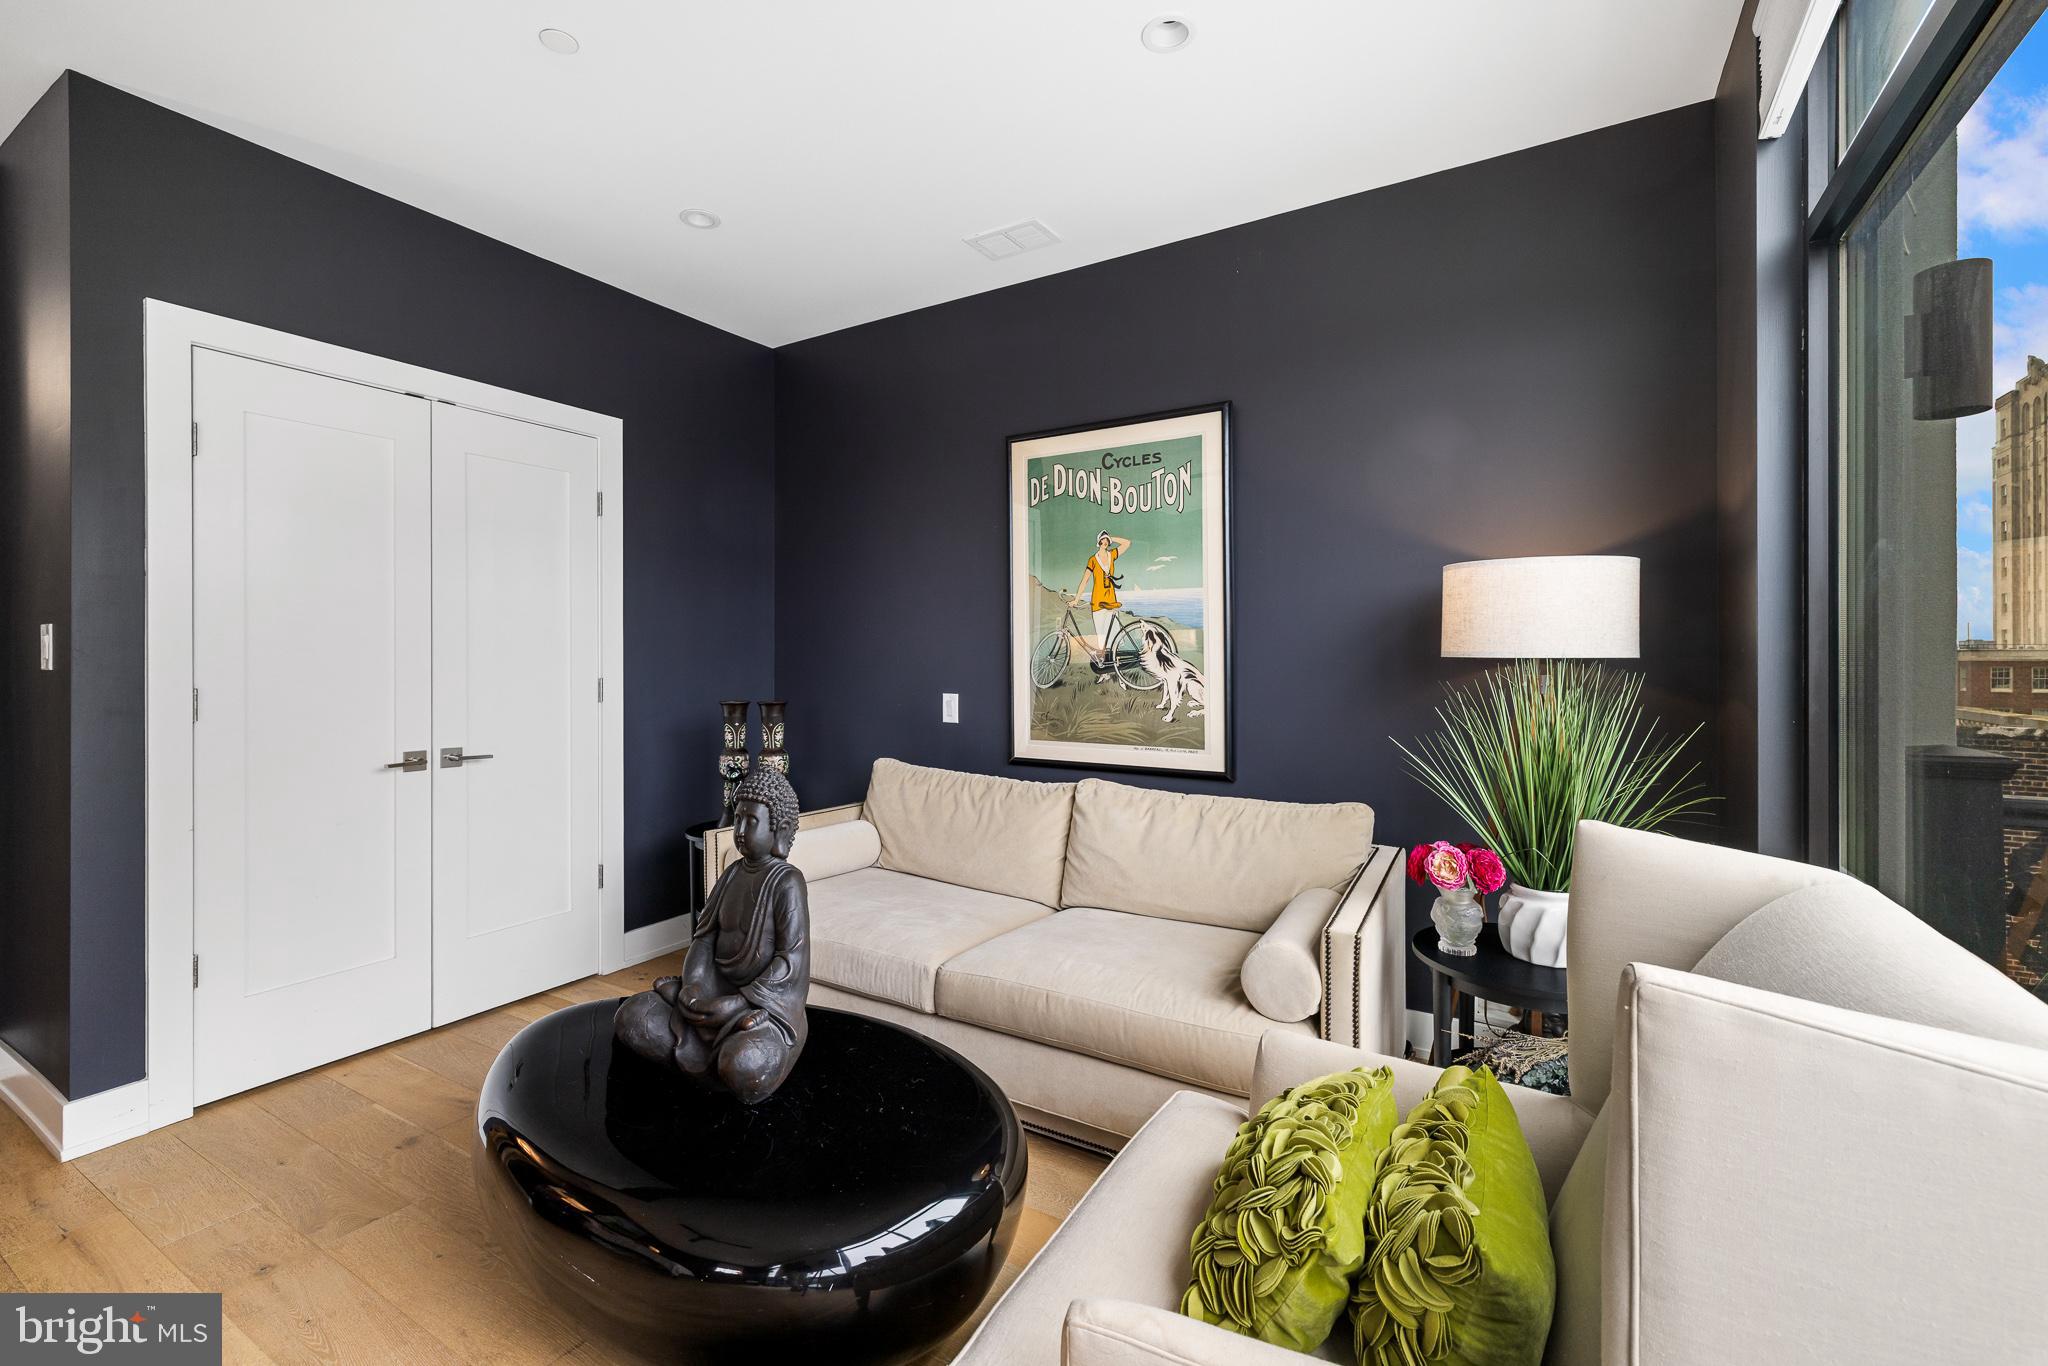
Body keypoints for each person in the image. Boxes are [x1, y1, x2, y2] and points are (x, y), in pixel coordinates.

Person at [615, 768, 810, 1103]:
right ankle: (701, 1054)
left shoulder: (787, 883)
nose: (740, 830)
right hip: (710, 997)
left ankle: (725, 1059)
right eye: (737, 819)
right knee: (633, 1017)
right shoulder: (733, 874)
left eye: (752, 821)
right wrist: (693, 987)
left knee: (742, 1066)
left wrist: (740, 1001)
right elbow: (704, 938)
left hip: (760, 1010)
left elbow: (790, 961)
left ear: (780, 829)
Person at [1070, 531, 1132, 673]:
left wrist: (1112, 537)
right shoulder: (1093, 560)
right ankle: (1105, 672)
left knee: (1114, 637)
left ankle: (1118, 670)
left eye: (1107, 541)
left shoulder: (1112, 555)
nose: (1105, 543)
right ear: (1098, 542)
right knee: (1101, 638)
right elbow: (1085, 580)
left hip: (1110, 600)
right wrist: (1076, 599)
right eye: (1102, 541)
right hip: (1098, 601)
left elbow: (1127, 543)